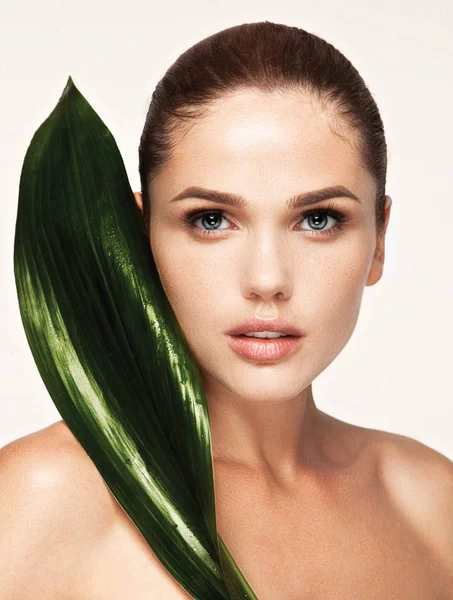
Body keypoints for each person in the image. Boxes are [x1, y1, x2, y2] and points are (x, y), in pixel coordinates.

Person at [1, 20, 452, 599]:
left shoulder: (429, 501)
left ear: (379, 240)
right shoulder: (45, 499)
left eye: (319, 220)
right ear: (138, 238)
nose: (267, 279)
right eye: (210, 220)